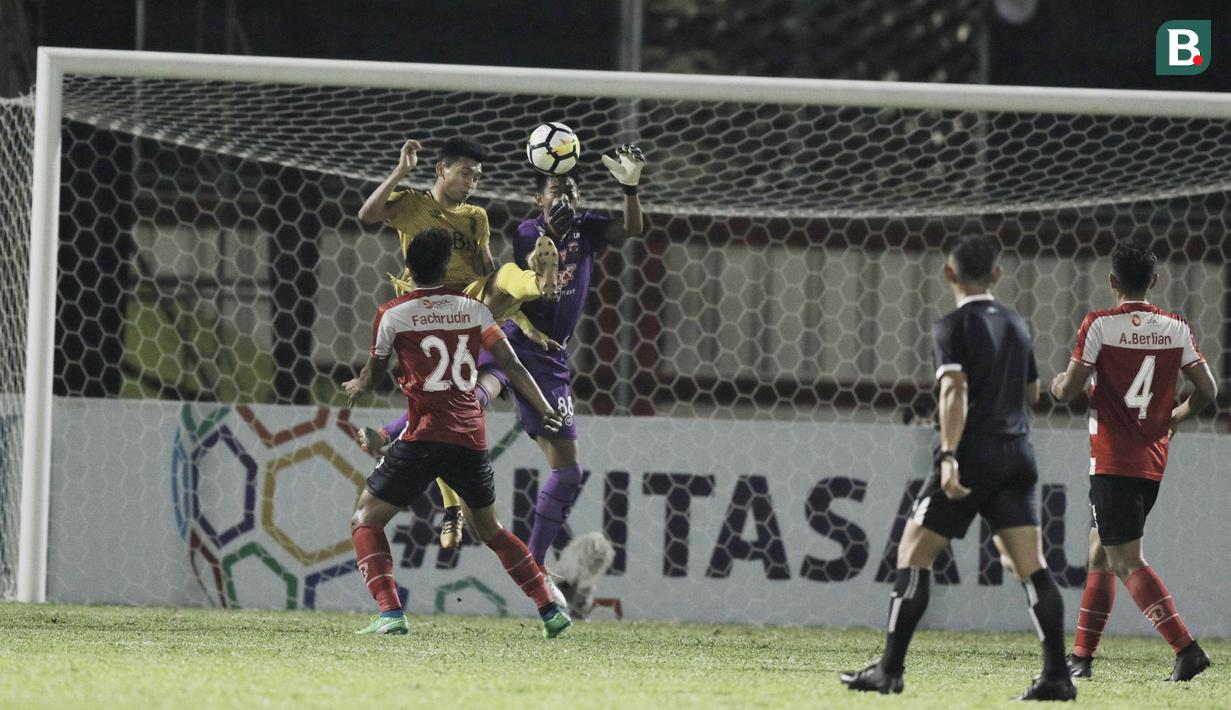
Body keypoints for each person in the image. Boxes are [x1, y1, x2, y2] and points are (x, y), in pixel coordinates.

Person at [361, 144, 647, 574]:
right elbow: (524, 255)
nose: (566, 196)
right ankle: (395, 437)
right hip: (511, 336)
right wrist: (541, 254)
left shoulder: (585, 228)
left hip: (550, 356)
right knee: (471, 397)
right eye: (557, 190)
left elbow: (631, 228)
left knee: (568, 471)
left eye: (572, 190)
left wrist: (630, 189)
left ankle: (535, 563)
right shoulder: (530, 230)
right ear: (539, 198)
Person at [841, 235, 1076, 701]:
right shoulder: (1017, 324)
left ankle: (889, 670)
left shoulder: (952, 325)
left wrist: (949, 455)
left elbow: (953, 391)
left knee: (914, 555)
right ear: (997, 274)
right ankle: (1056, 675)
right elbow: (1032, 395)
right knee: (1031, 566)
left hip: (971, 455)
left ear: (948, 273)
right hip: (1018, 453)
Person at [342, 227, 571, 638]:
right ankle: (549, 608)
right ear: (447, 267)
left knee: (365, 518)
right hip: (470, 438)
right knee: (492, 530)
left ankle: (390, 613)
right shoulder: (474, 309)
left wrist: (359, 384)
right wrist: (546, 408)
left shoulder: (393, 313)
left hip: (423, 436)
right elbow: (512, 365)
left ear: (408, 267)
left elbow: (374, 374)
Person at [356, 137, 559, 550]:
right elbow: (367, 215)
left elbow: (491, 276)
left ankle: (538, 282)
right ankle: (451, 507)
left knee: (506, 275)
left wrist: (521, 319)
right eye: (465, 173)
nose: (471, 183)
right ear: (441, 170)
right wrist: (401, 171)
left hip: (467, 307)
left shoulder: (476, 217)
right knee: (450, 409)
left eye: (477, 177)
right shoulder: (411, 204)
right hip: (427, 312)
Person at [1050, 236, 1216, 682]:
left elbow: (1069, 390)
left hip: (1113, 461)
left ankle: (1186, 649)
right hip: (1151, 461)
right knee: (1099, 554)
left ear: (1112, 281)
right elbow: (1209, 391)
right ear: (1154, 280)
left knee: (1125, 560)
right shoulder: (1175, 327)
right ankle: (1081, 658)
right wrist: (1177, 416)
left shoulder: (1099, 325)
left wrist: (1057, 383)